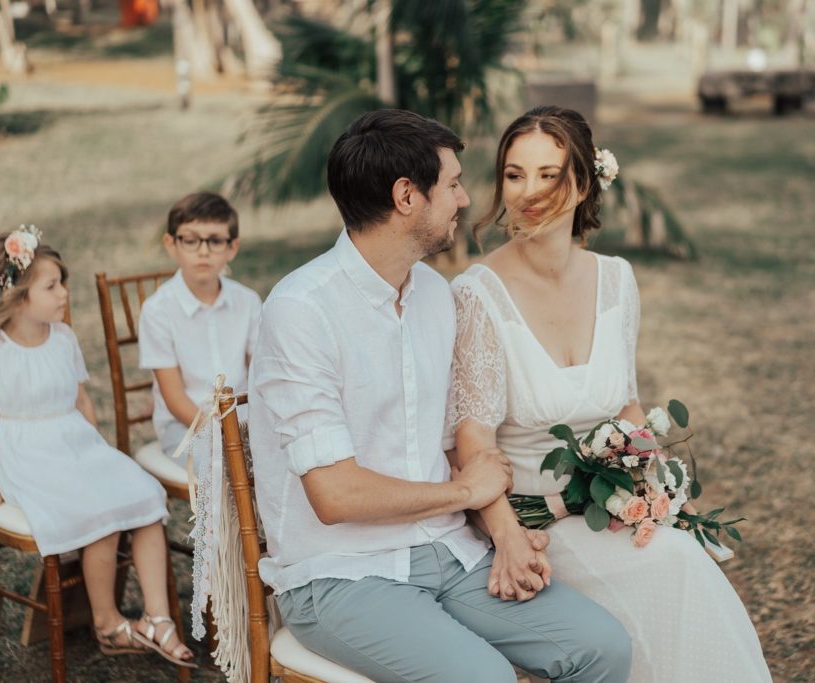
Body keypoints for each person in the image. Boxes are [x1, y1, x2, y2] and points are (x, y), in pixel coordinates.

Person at [248, 109, 632, 683]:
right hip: (340, 573)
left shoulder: (434, 294)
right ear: (407, 196)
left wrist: (505, 535)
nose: (464, 198)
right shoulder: (301, 309)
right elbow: (334, 494)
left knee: (603, 647)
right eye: (452, 183)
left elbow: (461, 439)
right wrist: (462, 491)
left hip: (449, 554)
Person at [448, 105, 773, 683]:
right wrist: (506, 537)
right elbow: (470, 441)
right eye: (515, 174)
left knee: (683, 560)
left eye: (549, 174)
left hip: (606, 508)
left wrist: (658, 484)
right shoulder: (478, 295)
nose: (529, 192)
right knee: (676, 569)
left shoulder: (617, 279)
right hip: (531, 522)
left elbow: (625, 406)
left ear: (583, 183)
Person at [0, 227, 195, 668]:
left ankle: (158, 617)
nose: (64, 293)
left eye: (62, 283)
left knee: (146, 496)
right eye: (52, 286)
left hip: (75, 444)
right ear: (16, 297)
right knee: (101, 514)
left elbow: (83, 401)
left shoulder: (63, 338)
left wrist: (101, 457)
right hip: (28, 455)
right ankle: (107, 623)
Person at [139, 192, 261, 465]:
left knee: (286, 459)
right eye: (191, 240)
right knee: (226, 468)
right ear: (171, 244)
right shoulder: (157, 310)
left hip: (244, 422)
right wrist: (222, 434)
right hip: (184, 427)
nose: (203, 251)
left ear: (232, 247)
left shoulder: (248, 302)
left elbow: (260, 374)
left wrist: (250, 430)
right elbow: (173, 397)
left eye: (215, 241)